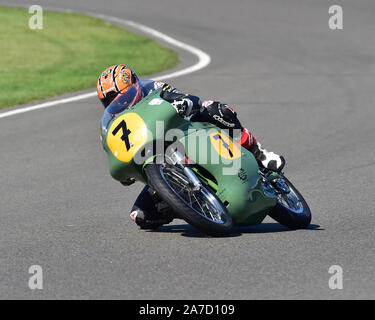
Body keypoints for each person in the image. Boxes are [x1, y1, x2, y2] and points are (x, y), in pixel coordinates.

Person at [97, 64, 285, 229]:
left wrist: (184, 102)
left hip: (187, 132)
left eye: (116, 96)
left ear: (133, 85)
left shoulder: (153, 88)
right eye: (107, 101)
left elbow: (187, 99)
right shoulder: (112, 124)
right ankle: (195, 206)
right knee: (141, 216)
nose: (114, 103)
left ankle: (260, 155)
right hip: (158, 159)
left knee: (215, 109)